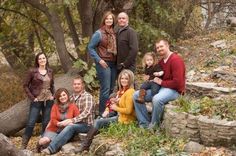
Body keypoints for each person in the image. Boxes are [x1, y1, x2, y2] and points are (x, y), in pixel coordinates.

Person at [74, 69, 136, 153]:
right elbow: (120, 103)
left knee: (97, 122)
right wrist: (116, 102)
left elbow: (128, 111)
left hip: (124, 120)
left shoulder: (130, 92)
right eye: (122, 78)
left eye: (126, 79)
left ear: (130, 80)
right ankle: (86, 144)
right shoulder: (121, 91)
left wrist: (115, 107)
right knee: (100, 119)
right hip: (119, 117)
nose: (123, 80)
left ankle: (85, 146)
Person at [133, 39, 186, 129]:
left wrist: (162, 82)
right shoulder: (161, 62)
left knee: (157, 99)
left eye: (161, 46)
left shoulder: (176, 60)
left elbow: (178, 83)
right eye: (157, 47)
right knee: (136, 95)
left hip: (175, 91)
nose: (159, 49)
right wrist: (148, 78)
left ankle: (153, 127)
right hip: (161, 88)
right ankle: (144, 123)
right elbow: (154, 74)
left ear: (167, 45)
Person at [39, 76, 95, 154]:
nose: (76, 86)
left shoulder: (87, 96)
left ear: (82, 85)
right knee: (65, 127)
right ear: (73, 85)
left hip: (86, 124)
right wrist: (52, 123)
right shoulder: (71, 98)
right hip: (74, 123)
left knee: (70, 126)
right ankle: (43, 143)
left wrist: (71, 120)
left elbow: (87, 112)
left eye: (78, 84)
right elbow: (58, 112)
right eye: (75, 84)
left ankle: (51, 149)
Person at [21, 52, 54, 149]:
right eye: (40, 58)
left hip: (48, 100)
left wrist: (53, 95)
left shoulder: (50, 71)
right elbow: (25, 85)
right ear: (37, 60)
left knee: (46, 122)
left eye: (44, 58)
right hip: (37, 99)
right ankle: (23, 145)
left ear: (46, 59)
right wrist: (32, 98)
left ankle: (42, 145)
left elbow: (52, 85)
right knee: (31, 123)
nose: (42, 60)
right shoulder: (32, 71)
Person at [88, 11, 117, 115]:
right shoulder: (98, 33)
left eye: (111, 19)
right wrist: (99, 60)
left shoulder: (114, 32)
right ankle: (101, 113)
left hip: (114, 63)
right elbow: (90, 48)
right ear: (104, 20)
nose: (109, 20)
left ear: (113, 21)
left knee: (112, 88)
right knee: (105, 89)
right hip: (103, 63)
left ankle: (109, 111)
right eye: (107, 19)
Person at [39, 88, 79, 153]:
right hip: (54, 129)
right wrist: (59, 123)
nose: (62, 97)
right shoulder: (55, 106)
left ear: (67, 95)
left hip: (65, 131)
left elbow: (78, 117)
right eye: (60, 96)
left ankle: (48, 148)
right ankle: (39, 144)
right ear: (58, 98)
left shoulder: (73, 106)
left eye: (64, 95)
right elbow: (53, 119)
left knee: (55, 143)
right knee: (44, 141)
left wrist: (70, 121)